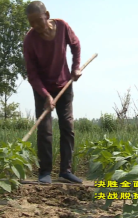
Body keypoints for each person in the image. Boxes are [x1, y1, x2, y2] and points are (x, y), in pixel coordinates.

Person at [23, 1, 83, 184]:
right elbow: (32, 75)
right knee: (45, 130)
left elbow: (76, 45)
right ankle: (45, 172)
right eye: (31, 23)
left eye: (38, 21)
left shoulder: (63, 26)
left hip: (64, 84)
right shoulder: (30, 40)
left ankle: (65, 171)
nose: (36, 27)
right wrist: (46, 96)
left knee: (67, 126)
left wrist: (76, 68)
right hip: (42, 88)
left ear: (47, 15)